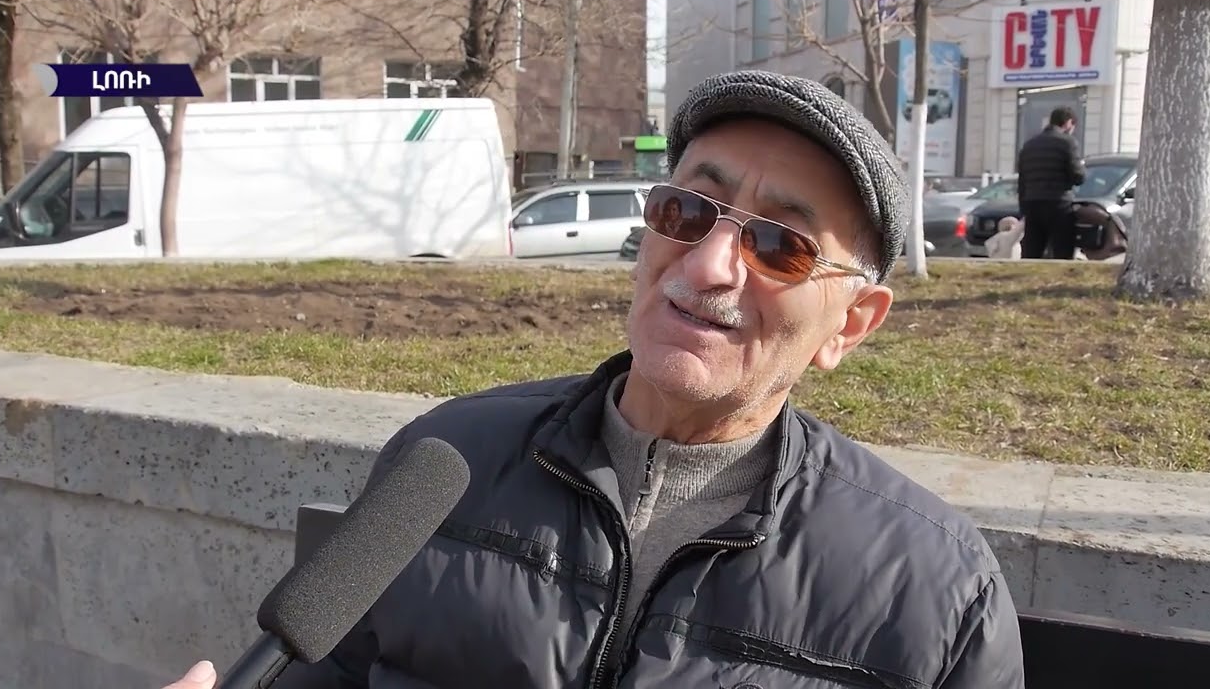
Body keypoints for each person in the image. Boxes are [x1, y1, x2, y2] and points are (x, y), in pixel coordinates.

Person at [163, 70, 1025, 689]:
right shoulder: (446, 462)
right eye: (687, 211)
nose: (708, 265)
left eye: (779, 245)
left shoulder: (932, 589)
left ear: (851, 324)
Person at [1016, 106, 1086, 259]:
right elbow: (1078, 177)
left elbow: (1022, 180)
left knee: (1031, 253)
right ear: (1068, 123)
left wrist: (1024, 209)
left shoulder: (1029, 145)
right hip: (1059, 205)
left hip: (1032, 205)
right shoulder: (1068, 143)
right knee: (1062, 253)